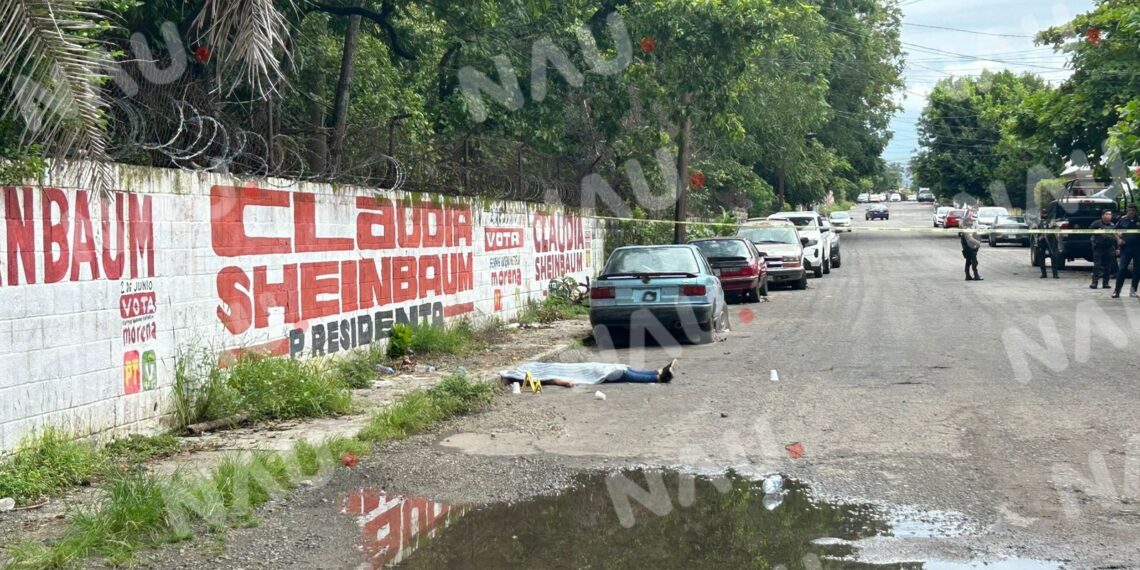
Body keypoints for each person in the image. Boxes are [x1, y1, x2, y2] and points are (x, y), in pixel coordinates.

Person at [500, 359, 678, 388]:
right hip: (585, 372)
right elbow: (549, 379)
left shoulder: (532, 366)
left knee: (622, 368)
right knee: (619, 373)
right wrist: (564, 382)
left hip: (584, 367)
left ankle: (658, 371)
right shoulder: (535, 378)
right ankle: (658, 377)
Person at [1113, 204, 1140, 298]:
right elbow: (1115, 231)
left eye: (1133, 210)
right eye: (1129, 210)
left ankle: (1133, 291)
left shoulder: (1139, 220)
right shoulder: (1122, 220)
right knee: (1122, 269)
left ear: (1136, 211)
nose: (1131, 212)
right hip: (1126, 248)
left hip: (1138, 249)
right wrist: (1118, 239)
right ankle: (1117, 291)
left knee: (1137, 271)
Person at [1089, 209, 1117, 289]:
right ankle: (1094, 283)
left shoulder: (1112, 225)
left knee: (1108, 266)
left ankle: (1106, 283)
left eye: (1110, 214)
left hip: (1109, 248)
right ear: (1102, 215)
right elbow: (1089, 231)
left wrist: (1117, 248)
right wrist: (1096, 231)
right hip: (1098, 247)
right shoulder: (1097, 223)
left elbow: (1115, 236)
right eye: (1106, 214)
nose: (1108, 216)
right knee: (1097, 266)